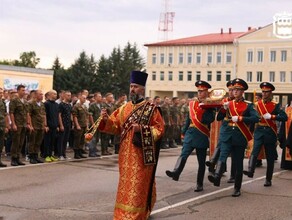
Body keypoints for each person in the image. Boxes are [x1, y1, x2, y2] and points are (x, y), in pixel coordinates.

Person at [98, 70, 164, 219]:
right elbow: (115, 126)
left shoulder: (151, 109)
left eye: (135, 86)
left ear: (142, 89)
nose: (132, 89)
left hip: (141, 154)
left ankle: (137, 214)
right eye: (131, 86)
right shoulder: (123, 108)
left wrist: (140, 130)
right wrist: (106, 120)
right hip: (125, 155)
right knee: (125, 185)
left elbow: (159, 129)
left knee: (138, 185)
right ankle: (122, 213)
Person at [208, 78, 259, 197]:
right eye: (234, 89)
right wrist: (223, 109)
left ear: (243, 92)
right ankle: (216, 177)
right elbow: (219, 118)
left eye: (238, 90)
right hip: (227, 135)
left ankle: (237, 188)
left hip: (239, 136)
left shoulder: (248, 105)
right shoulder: (228, 104)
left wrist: (241, 118)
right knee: (223, 156)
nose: (235, 92)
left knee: (238, 163)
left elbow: (256, 118)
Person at [166, 80, 216, 192]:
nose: (199, 93)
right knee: (183, 154)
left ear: (207, 92)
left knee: (201, 162)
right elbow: (189, 119)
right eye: (198, 91)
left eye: (202, 91)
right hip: (191, 133)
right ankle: (176, 172)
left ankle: (199, 184)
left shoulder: (210, 106)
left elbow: (208, 120)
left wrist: (206, 108)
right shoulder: (193, 104)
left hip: (202, 134)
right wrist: (183, 131)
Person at [243, 82, 287, 186]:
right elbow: (248, 116)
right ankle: (250, 170)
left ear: (271, 93)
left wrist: (272, 117)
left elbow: (284, 117)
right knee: (255, 150)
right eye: (263, 91)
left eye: (266, 92)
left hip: (270, 132)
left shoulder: (275, 105)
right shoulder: (257, 104)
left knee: (270, 156)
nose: (264, 94)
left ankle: (268, 179)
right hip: (259, 130)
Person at [206, 80, 236, 183]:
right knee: (222, 149)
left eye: (234, 90)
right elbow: (218, 115)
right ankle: (215, 166)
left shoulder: (240, 102)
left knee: (234, 154)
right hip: (225, 128)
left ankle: (233, 175)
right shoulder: (225, 100)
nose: (232, 92)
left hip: (236, 129)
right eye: (230, 90)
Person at [9, 85, 30, 166]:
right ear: (18, 91)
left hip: (23, 124)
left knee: (21, 142)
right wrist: (13, 124)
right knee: (16, 142)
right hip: (17, 124)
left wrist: (28, 123)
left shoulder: (24, 101)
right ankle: (13, 159)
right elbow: (11, 113)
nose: (24, 92)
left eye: (24, 90)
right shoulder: (14, 100)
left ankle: (18, 158)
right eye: (22, 90)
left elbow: (27, 113)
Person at [27, 90, 47, 164]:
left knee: (38, 142)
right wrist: (30, 125)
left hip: (41, 126)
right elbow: (28, 114)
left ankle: (36, 156)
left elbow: (44, 115)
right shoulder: (31, 103)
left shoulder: (42, 104)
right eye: (40, 94)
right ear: (35, 95)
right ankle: (31, 157)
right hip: (34, 125)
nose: (42, 96)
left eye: (42, 94)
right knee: (32, 142)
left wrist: (45, 125)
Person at [44, 90, 59, 162]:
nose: (55, 95)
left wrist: (57, 125)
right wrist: (45, 125)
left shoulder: (56, 104)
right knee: (47, 141)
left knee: (52, 141)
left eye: (56, 94)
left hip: (54, 125)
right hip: (48, 126)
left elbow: (57, 116)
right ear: (49, 95)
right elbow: (45, 115)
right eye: (54, 94)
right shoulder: (46, 104)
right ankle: (46, 155)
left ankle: (50, 154)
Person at [72, 95, 89, 159]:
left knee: (82, 140)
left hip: (84, 125)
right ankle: (76, 153)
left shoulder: (84, 106)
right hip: (79, 125)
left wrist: (87, 125)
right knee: (77, 140)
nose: (85, 99)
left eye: (85, 98)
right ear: (80, 98)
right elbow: (75, 116)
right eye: (83, 98)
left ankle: (80, 152)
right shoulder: (76, 106)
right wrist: (77, 125)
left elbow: (86, 116)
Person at [58, 91, 72, 160]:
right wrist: (61, 125)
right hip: (63, 124)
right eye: (68, 95)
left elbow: (70, 115)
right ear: (64, 96)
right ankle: (60, 154)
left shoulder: (69, 105)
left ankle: (64, 154)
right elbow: (59, 115)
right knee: (61, 140)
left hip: (68, 124)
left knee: (66, 140)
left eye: (70, 95)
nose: (69, 97)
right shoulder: (61, 104)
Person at [0, 88, 10, 167]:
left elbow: (6, 114)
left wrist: (7, 125)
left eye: (1, 93)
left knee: (1, 144)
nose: (1, 94)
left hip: (2, 126)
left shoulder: (3, 102)